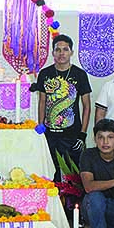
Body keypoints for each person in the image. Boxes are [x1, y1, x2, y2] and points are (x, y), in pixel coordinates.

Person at [35, 34, 92, 180]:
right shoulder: (45, 74)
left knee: (73, 175)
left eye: (65, 49)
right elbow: (42, 102)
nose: (61, 53)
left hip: (72, 134)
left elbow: (86, 106)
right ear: (53, 52)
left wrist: (83, 134)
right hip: (50, 134)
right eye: (58, 50)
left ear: (71, 52)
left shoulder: (80, 74)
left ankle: (73, 197)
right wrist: (40, 126)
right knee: (49, 172)